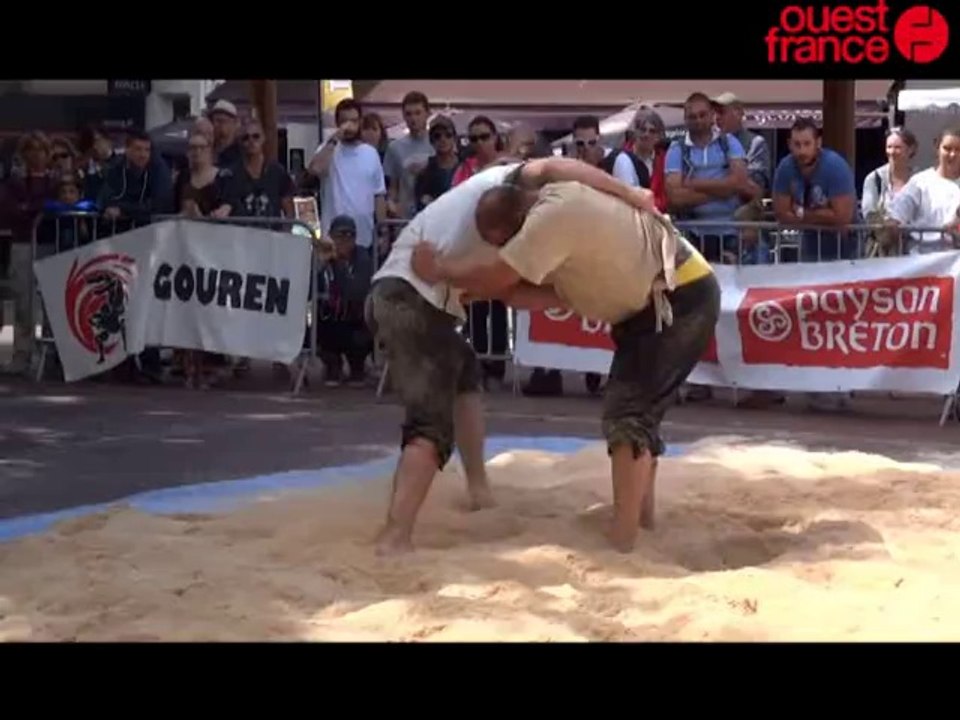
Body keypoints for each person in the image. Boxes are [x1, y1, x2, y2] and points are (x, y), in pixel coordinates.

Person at [409, 173, 718, 553]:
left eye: (502, 242)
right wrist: (477, 291)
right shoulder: (555, 223)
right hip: (652, 304)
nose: (504, 249)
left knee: (629, 416)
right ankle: (641, 520)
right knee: (639, 417)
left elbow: (501, 274)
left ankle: (623, 542)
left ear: (515, 223)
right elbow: (531, 295)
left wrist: (441, 269)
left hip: (679, 294)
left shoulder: (555, 213)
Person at [365, 156, 659, 556]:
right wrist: (629, 192)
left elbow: (505, 291)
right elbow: (558, 165)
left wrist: (581, 296)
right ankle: (395, 535)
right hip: (408, 298)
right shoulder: (517, 184)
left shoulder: (536, 212)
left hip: (410, 297)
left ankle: (477, 488)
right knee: (430, 424)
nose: (502, 246)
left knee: (466, 373)